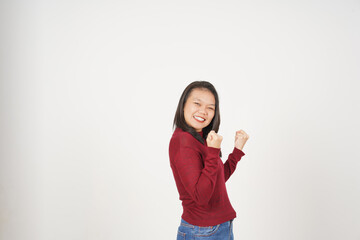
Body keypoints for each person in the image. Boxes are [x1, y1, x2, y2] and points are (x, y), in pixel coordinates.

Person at [169, 81, 249, 240]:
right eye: (197, 104)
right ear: (183, 105)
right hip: (202, 231)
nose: (203, 111)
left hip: (217, 227)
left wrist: (237, 151)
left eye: (210, 108)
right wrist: (213, 151)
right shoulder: (183, 141)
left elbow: (217, 180)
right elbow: (201, 196)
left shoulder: (199, 138)